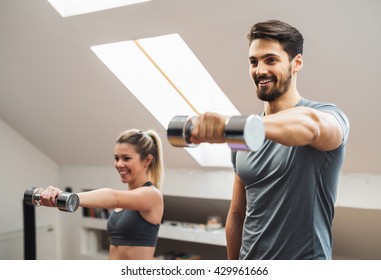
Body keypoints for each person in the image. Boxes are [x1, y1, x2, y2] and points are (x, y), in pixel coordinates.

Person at [190, 20, 350, 259]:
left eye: (271, 60)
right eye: (253, 62)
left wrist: (231, 126)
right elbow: (237, 212)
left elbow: (311, 125)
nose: (260, 70)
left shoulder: (328, 115)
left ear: (296, 63)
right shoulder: (242, 132)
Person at [39, 129, 164, 260]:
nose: (119, 164)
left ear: (147, 160)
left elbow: (113, 197)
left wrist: (68, 198)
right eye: (116, 158)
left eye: (126, 158)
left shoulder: (152, 195)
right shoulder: (128, 197)